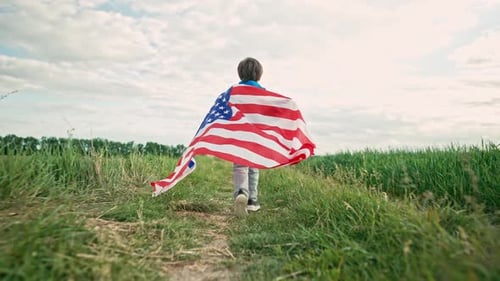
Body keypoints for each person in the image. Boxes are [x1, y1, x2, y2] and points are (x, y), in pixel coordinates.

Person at [233, 57, 263, 217]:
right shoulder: (263, 93)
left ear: (240, 74)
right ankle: (252, 201)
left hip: (239, 136)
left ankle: (240, 193)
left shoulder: (233, 92)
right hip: (256, 137)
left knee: (240, 166)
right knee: (253, 168)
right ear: (259, 74)